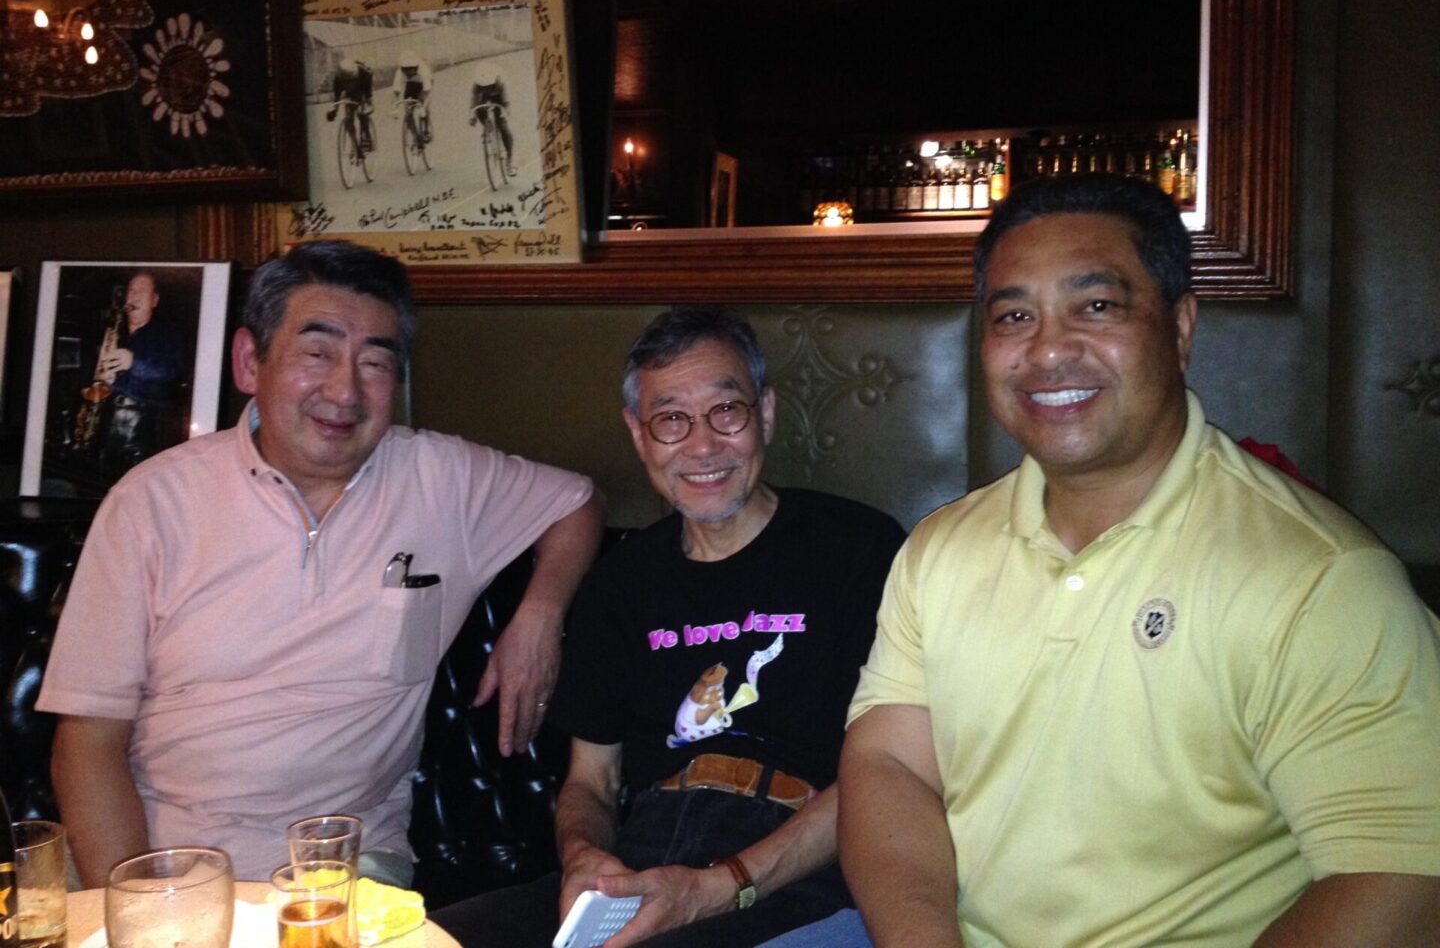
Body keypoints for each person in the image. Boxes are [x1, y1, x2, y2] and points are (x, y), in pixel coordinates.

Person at [799, 174, 1440, 947]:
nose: (1048, 348)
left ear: (1179, 328)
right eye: (1013, 316)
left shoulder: (1320, 579)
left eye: (1096, 306)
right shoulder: (939, 549)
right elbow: (890, 766)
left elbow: (1400, 875)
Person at [37, 240, 605, 887]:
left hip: (344, 866)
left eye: (375, 363)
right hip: (160, 858)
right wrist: (143, 904)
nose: (346, 389)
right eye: (318, 353)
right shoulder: (150, 503)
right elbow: (87, 744)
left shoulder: (442, 479)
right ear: (251, 361)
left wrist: (540, 614)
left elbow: (578, 502)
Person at [432, 306, 906, 947]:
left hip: (799, 868)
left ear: (764, 412)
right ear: (638, 434)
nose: (703, 445)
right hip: (649, 855)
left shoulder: (859, 548)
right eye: (671, 420)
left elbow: (886, 772)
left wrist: (721, 885)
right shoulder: (620, 584)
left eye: (726, 411)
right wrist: (581, 857)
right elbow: (591, 782)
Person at [96, 270, 188, 470]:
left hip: (144, 435)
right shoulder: (115, 332)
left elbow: (172, 371)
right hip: (106, 432)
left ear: (154, 300)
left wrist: (133, 362)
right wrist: (108, 381)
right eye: (131, 290)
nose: (134, 296)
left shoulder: (168, 333)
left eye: (142, 291)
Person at [467, 60, 514, 173]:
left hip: (499, 98)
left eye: (489, 86)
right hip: (482, 98)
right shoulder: (476, 86)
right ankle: (488, 125)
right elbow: (473, 103)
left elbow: (506, 104)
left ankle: (510, 159)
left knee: (503, 126)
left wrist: (505, 112)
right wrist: (472, 116)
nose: (486, 88)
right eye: (483, 86)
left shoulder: (501, 82)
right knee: (479, 109)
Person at [325, 57, 375, 151]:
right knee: (349, 115)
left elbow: (370, 101)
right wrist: (333, 111)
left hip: (361, 89)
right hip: (350, 93)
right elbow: (337, 98)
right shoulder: (338, 79)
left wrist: (368, 108)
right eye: (346, 82)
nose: (349, 84)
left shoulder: (364, 75)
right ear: (341, 79)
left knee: (362, 111)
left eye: (351, 81)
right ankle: (354, 145)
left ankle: (367, 136)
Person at [391, 50, 433, 143]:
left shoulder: (423, 70)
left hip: (423, 83)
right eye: (405, 71)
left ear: (416, 68)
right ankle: (416, 136)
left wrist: (423, 107)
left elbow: (428, 93)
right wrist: (394, 107)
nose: (407, 73)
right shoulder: (400, 73)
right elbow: (396, 92)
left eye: (410, 71)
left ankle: (426, 130)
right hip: (411, 85)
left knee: (423, 103)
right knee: (408, 109)